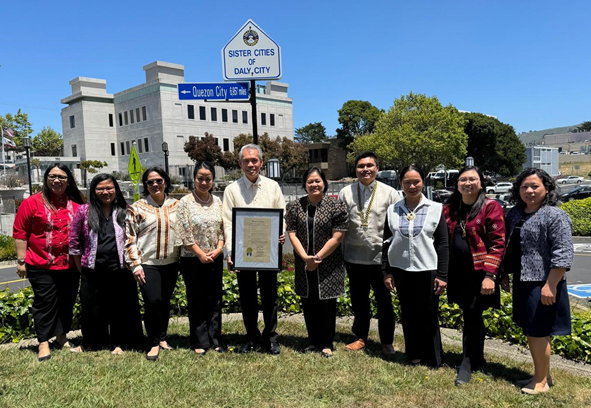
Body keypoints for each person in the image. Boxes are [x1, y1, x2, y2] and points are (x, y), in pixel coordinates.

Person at [501, 168, 573, 395]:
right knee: (532, 330)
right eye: (524, 187)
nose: (529, 191)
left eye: (535, 186)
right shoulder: (515, 213)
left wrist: (550, 285)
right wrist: (504, 272)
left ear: (547, 188)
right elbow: (509, 247)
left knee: (538, 331)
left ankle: (541, 383)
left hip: (543, 282)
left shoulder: (555, 215)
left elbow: (563, 253)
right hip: (523, 280)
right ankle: (542, 375)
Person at [13, 163, 85, 361]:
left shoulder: (77, 204)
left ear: (68, 180)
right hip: (40, 264)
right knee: (45, 303)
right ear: (46, 179)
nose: (57, 180)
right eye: (52, 176)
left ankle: (61, 337)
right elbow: (20, 232)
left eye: (61, 177)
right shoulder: (32, 202)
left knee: (66, 302)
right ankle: (43, 342)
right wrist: (21, 261)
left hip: (70, 265)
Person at [443, 166, 506, 385]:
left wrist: (490, 275)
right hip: (456, 272)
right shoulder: (449, 209)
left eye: (472, 179)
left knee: (472, 314)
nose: (467, 183)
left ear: (481, 183)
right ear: (457, 183)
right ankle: (477, 358)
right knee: (471, 315)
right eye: (463, 179)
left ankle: (467, 363)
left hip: (479, 274)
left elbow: (498, 244)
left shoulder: (491, 207)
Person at [382, 165, 449, 367]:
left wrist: (443, 275)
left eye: (416, 181)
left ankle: (433, 358)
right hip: (401, 269)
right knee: (408, 314)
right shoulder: (393, 209)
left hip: (427, 269)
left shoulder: (436, 209)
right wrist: (387, 271)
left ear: (423, 182)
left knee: (428, 314)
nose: (412, 186)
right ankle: (413, 355)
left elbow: (443, 243)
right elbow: (386, 241)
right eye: (407, 182)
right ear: (401, 184)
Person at [69, 173, 143, 354]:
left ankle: (120, 343)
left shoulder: (126, 210)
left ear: (115, 189)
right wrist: (82, 269)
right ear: (93, 191)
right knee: (91, 307)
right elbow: (74, 242)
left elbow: (137, 237)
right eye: (100, 188)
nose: (105, 192)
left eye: (109, 188)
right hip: (92, 269)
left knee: (121, 307)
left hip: (120, 269)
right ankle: (91, 343)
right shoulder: (84, 211)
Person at [222, 144, 286, 355]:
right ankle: (251, 338)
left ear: (261, 162)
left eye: (255, 160)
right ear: (240, 163)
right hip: (243, 254)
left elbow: (281, 216)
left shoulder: (273, 187)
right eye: (246, 161)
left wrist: (281, 233)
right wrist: (231, 253)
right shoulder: (231, 190)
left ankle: (271, 338)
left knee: (270, 298)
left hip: (268, 253)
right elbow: (228, 223)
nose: (251, 164)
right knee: (247, 297)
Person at [338, 151, 400, 355]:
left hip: (381, 259)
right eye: (361, 166)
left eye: (369, 166)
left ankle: (386, 341)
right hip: (353, 257)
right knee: (359, 301)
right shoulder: (345, 192)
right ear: (355, 170)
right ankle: (360, 337)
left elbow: (396, 226)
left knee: (384, 303)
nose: (365, 169)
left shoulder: (390, 193)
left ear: (377, 169)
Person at [286, 167, 349, 358]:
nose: (314, 184)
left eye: (317, 181)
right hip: (304, 263)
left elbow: (337, 237)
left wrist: (318, 258)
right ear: (305, 185)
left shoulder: (336, 206)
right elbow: (292, 234)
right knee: (308, 302)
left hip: (328, 264)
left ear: (324, 183)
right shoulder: (295, 206)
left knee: (327, 304)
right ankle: (313, 341)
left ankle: (327, 343)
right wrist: (306, 258)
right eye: (310, 181)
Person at [125, 167, 180, 361]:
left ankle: (163, 337)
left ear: (165, 182)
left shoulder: (177, 205)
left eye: (159, 181)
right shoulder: (136, 208)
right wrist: (135, 265)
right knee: (153, 301)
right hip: (148, 263)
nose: (155, 185)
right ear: (145, 185)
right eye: (150, 182)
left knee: (164, 302)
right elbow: (129, 239)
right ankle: (154, 342)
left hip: (172, 262)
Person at [176, 162, 225, 355]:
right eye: (200, 178)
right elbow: (183, 232)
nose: (204, 182)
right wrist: (200, 253)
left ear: (213, 180)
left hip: (215, 257)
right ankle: (200, 341)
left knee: (214, 299)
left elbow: (223, 229)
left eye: (208, 178)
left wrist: (219, 249)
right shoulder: (185, 202)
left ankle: (215, 340)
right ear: (194, 179)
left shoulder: (218, 202)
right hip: (192, 259)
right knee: (197, 299)